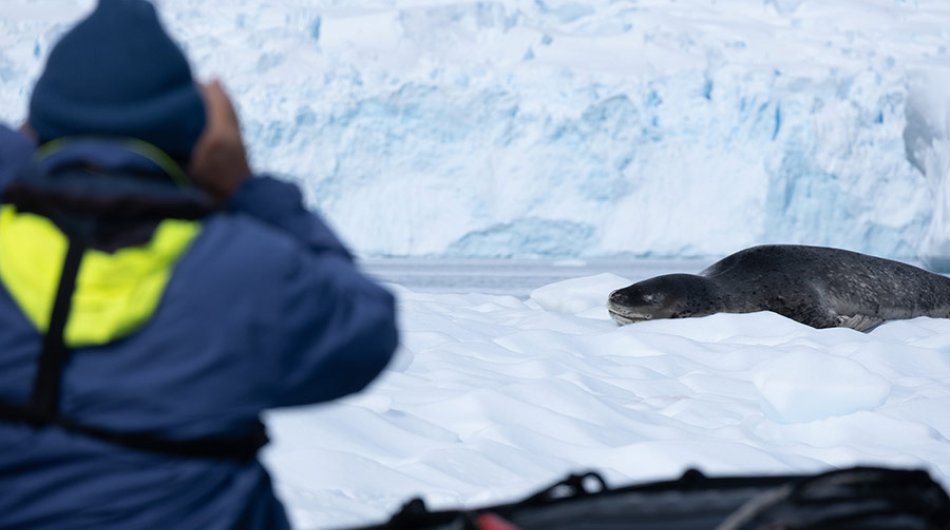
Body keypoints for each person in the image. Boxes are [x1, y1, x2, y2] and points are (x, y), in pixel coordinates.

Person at [0, 0, 398, 528]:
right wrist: (246, 186)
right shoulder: (239, 270)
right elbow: (364, 330)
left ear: (37, 126)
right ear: (188, 135)